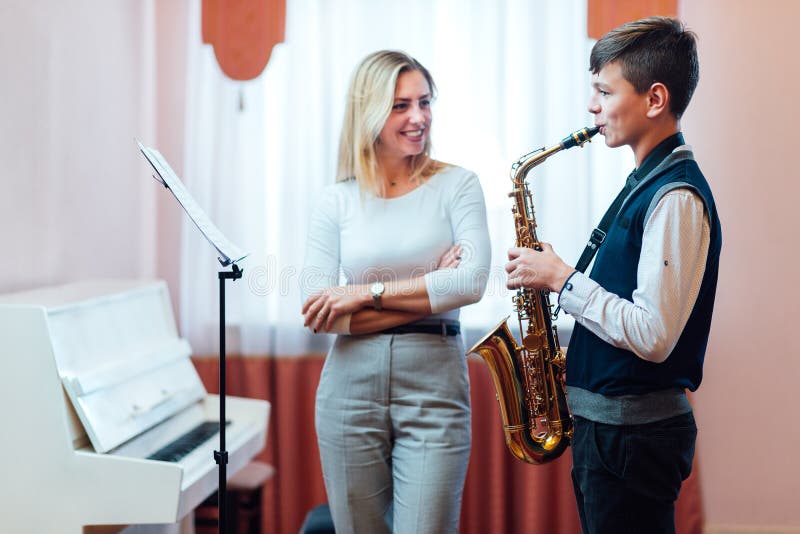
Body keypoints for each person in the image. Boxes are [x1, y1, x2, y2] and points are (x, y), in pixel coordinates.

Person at [505, 17, 722, 534]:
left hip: (633, 438)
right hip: (614, 433)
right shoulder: (648, 180)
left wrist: (562, 279)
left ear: (654, 99)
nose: (592, 106)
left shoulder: (676, 196)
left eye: (604, 90)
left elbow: (653, 334)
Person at [300, 50, 490, 534]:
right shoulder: (336, 200)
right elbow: (320, 312)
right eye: (401, 105)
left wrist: (362, 295)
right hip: (349, 389)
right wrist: (431, 285)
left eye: (424, 102)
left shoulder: (458, 186)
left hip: (435, 387)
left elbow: (469, 282)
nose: (418, 117)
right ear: (369, 111)